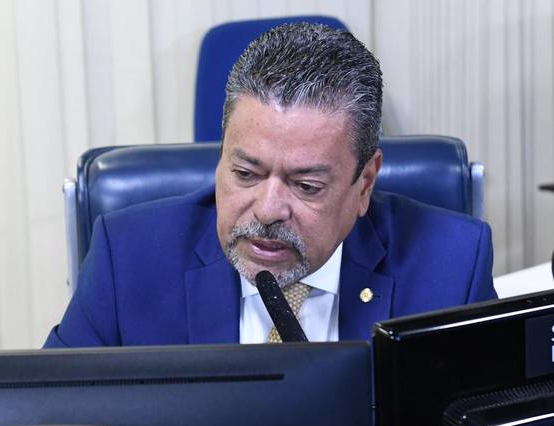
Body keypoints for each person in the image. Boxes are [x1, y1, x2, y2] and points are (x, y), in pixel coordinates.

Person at [44, 23, 497, 348]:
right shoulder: (128, 257)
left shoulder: (452, 267)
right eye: (245, 174)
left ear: (364, 184)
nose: (267, 209)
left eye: (306, 186)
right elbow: (54, 424)